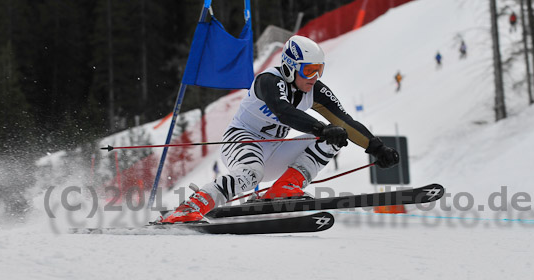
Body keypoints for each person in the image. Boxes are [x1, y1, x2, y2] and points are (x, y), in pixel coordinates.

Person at [160, 35, 400, 223]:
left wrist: (377, 148)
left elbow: (345, 121)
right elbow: (283, 110)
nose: (315, 77)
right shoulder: (268, 81)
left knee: (337, 135)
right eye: (309, 70)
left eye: (319, 69)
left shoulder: (315, 90)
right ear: (289, 66)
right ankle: (189, 208)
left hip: (276, 150)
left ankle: (285, 188)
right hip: (242, 141)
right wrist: (320, 127)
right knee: (250, 173)